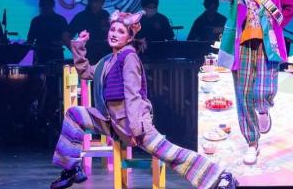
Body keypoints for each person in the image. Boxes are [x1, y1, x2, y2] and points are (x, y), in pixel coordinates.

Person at [50, 11, 236, 189]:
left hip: (134, 122)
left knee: (171, 154)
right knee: (74, 114)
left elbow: (133, 94)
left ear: (129, 38)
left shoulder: (129, 57)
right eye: (112, 29)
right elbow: (86, 72)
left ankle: (220, 177)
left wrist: (135, 129)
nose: (114, 34)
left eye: (120, 31)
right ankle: (71, 168)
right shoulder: (108, 60)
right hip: (111, 121)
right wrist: (79, 45)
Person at [209, 0, 293, 165]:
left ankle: (264, 108)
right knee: (243, 96)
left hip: (267, 45)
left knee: (263, 90)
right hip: (242, 46)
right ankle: (252, 143)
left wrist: (278, 26)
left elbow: (292, 6)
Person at [68, 0, 110, 64]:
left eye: (101, 2)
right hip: (88, 57)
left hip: (105, 56)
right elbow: (66, 35)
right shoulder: (81, 17)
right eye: (96, 1)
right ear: (90, 1)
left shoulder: (105, 15)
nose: (98, 4)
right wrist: (76, 52)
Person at [27, 0, 70, 65]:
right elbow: (67, 40)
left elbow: (30, 41)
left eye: (47, 5)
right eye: (44, 5)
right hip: (47, 56)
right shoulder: (61, 19)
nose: (46, 7)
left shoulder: (36, 21)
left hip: (47, 56)